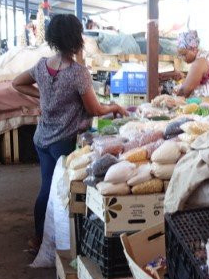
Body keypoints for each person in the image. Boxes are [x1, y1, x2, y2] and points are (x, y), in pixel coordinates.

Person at [12, 14, 127, 250]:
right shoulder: (77, 72)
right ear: (76, 39)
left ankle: (39, 237)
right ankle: (62, 241)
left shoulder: (42, 65)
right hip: (64, 141)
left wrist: (44, 96)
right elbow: (94, 109)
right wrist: (114, 107)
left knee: (47, 186)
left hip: (42, 138)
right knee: (65, 191)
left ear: (53, 38)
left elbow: (17, 83)